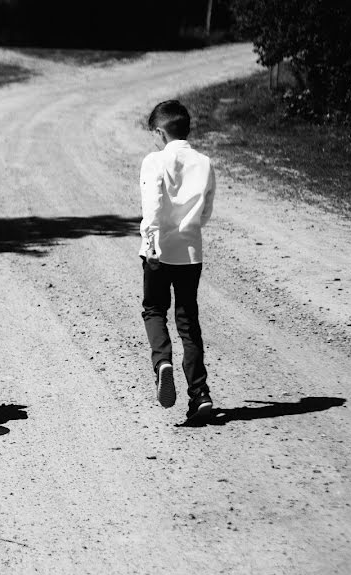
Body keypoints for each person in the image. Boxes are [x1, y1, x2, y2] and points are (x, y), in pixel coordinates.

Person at [139, 100, 214, 421]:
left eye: (154, 135)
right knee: (188, 321)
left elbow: (153, 204)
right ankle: (199, 394)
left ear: (160, 131)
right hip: (190, 252)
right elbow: (206, 209)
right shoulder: (204, 162)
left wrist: (151, 239)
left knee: (154, 308)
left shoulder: (154, 161)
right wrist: (190, 231)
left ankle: (163, 362)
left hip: (159, 249)